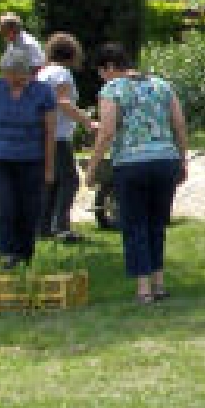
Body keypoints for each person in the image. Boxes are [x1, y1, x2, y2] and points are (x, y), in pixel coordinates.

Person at [86, 42, 187, 305]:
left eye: (102, 72)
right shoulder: (162, 85)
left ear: (109, 68)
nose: (102, 78)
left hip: (131, 163)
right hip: (165, 159)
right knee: (156, 223)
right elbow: (178, 123)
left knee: (135, 224)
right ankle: (159, 283)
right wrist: (182, 160)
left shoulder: (112, 89)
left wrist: (93, 166)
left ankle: (143, 288)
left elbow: (107, 131)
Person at [0, 47, 56, 266]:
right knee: (6, 205)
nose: (10, 78)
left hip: (32, 158)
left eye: (14, 74)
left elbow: (50, 131)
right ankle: (8, 253)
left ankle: (25, 252)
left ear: (26, 72)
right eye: (7, 73)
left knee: (29, 208)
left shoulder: (43, 92)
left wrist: (49, 166)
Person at [37, 32, 94, 239]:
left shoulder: (43, 73)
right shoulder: (62, 73)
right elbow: (63, 102)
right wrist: (87, 121)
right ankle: (61, 226)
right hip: (58, 136)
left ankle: (43, 226)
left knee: (51, 181)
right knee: (70, 180)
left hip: (42, 134)